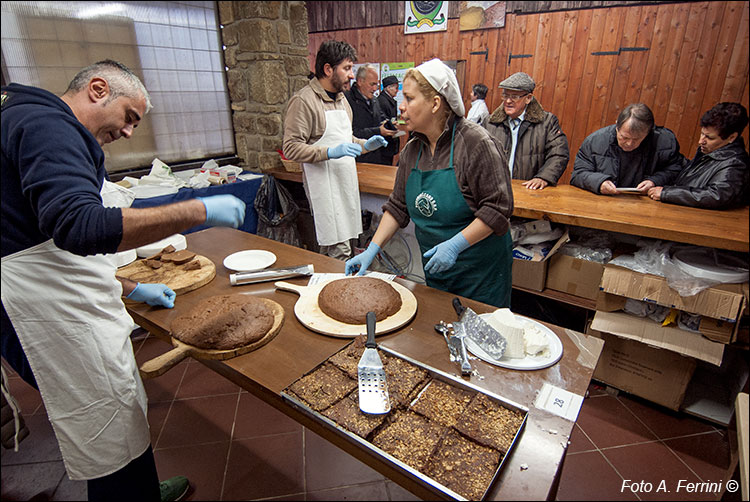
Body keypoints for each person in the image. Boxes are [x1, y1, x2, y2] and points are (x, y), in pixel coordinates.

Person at [1, 60, 247, 502]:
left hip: (45, 290)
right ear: (98, 89)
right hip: (39, 310)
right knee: (104, 419)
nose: (130, 133)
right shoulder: (47, 124)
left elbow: (43, 240)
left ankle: (143, 491)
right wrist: (197, 210)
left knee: (118, 410)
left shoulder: (18, 112)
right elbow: (78, 226)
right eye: (129, 118)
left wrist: (130, 288)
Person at [345, 59, 514, 308]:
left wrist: (455, 245)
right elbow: (398, 206)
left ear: (435, 103)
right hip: (438, 273)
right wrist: (372, 249)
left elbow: (497, 209)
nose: (401, 107)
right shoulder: (412, 150)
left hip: (480, 275)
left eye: (410, 99)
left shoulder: (476, 143)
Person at [282, 41, 387, 260]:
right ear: (328, 69)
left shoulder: (342, 101)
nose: (351, 75)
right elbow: (290, 148)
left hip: (345, 183)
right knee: (338, 252)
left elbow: (346, 140)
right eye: (347, 68)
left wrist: (365, 145)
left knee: (338, 249)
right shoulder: (304, 101)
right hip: (324, 190)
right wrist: (328, 153)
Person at [647, 102, 749, 209]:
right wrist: (655, 181)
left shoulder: (736, 164)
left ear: (731, 137)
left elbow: (717, 196)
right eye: (702, 134)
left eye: (710, 138)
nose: (701, 141)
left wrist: (667, 193)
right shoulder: (708, 151)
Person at [570, 103, 685, 195]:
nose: (629, 143)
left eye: (636, 139)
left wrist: (654, 181)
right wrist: (599, 183)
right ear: (616, 126)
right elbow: (578, 174)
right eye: (624, 137)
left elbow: (676, 169)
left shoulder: (664, 142)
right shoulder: (595, 141)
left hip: (645, 205)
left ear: (648, 133)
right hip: (603, 202)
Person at [483, 72, 569, 190]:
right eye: (505, 95)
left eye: (514, 96)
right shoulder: (490, 122)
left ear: (528, 98)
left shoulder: (547, 122)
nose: (508, 101)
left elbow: (559, 154)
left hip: (528, 190)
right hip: (494, 189)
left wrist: (544, 177)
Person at [344, 64, 397, 165]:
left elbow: (381, 118)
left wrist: (390, 124)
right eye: (372, 84)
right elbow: (350, 133)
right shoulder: (347, 101)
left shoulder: (374, 100)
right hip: (357, 160)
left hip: (376, 158)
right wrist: (378, 131)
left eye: (376, 84)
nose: (375, 88)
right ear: (360, 81)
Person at [377, 75, 401, 165]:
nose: (397, 91)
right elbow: (384, 121)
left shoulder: (390, 100)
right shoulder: (382, 101)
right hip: (385, 143)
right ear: (388, 88)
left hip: (390, 142)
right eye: (396, 88)